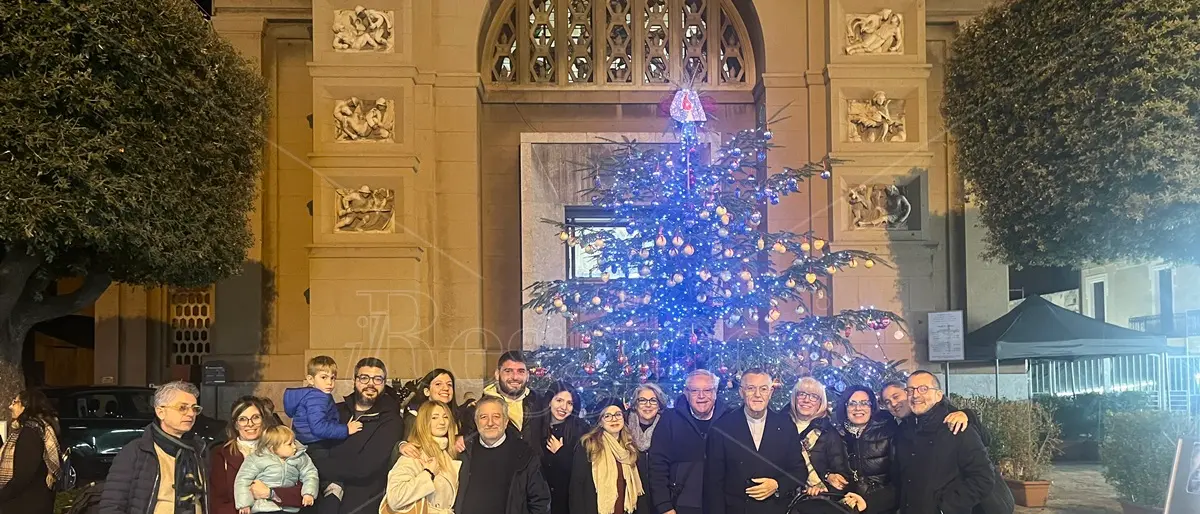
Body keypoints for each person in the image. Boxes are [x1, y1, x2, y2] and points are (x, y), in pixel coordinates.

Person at [703, 369, 811, 514]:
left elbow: (799, 472)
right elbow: (713, 484)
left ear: (771, 392)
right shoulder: (722, 428)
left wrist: (777, 485)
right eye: (751, 388)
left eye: (763, 389)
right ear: (741, 392)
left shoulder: (785, 426)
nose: (757, 395)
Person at [100, 381, 210, 514]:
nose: (191, 414)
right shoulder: (136, 452)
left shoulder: (199, 451)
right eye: (182, 408)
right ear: (160, 412)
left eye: (195, 408)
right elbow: (111, 506)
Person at [893, 371, 994, 514]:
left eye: (923, 389)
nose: (915, 395)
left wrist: (946, 507)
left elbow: (983, 477)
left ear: (938, 395)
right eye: (910, 390)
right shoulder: (904, 431)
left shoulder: (957, 427)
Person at [313, 357, 404, 514]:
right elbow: (313, 447)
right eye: (364, 378)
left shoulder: (391, 421)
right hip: (319, 499)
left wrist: (320, 466)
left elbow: (365, 468)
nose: (371, 384)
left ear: (384, 383)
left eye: (377, 379)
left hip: (361, 504)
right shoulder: (335, 411)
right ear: (354, 380)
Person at [210, 397, 310, 514]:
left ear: (264, 420)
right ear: (236, 424)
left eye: (256, 417)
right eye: (243, 419)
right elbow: (217, 502)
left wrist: (271, 493)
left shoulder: (285, 447)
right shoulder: (221, 454)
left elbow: (305, 489)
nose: (250, 424)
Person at [454, 396, 551, 514]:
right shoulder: (463, 453)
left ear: (506, 422)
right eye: (483, 417)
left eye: (496, 416)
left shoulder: (525, 455)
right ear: (476, 422)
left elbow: (540, 502)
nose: (490, 423)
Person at [648, 369, 726, 514]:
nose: (701, 396)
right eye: (695, 391)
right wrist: (664, 506)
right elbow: (657, 465)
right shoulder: (669, 420)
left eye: (707, 390)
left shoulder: (728, 419)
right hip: (680, 506)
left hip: (722, 507)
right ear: (686, 393)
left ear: (715, 392)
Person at [381, 401, 461, 514]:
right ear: (424, 422)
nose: (442, 422)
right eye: (434, 417)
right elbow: (395, 497)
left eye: (446, 417)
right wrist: (428, 473)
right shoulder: (414, 454)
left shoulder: (448, 455)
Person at [569, 401, 645, 514]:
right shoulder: (589, 446)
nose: (614, 419)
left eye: (618, 414)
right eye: (607, 416)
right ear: (600, 421)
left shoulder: (630, 447)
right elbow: (577, 487)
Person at [833, 386, 897, 514]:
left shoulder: (888, 429)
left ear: (872, 406)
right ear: (845, 407)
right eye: (852, 403)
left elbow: (900, 478)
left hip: (882, 505)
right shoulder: (837, 434)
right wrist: (829, 476)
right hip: (849, 506)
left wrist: (869, 501)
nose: (858, 408)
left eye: (864, 403)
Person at [283, 356, 363, 456]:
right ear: (311, 379)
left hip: (305, 441)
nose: (329, 382)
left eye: (332, 378)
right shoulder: (317, 398)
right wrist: (346, 430)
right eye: (324, 377)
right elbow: (318, 428)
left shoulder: (309, 395)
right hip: (315, 445)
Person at [0, 389, 60, 514]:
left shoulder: (30, 433)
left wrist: (3, 495)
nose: (10, 406)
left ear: (26, 406)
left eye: (15, 402)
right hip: (36, 501)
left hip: (25, 504)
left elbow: (22, 476)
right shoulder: (41, 429)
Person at [233, 426, 318, 513]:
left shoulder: (300, 457)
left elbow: (310, 474)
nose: (294, 446)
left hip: (289, 508)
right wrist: (244, 504)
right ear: (273, 448)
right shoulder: (257, 458)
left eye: (294, 442)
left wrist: (308, 493)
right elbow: (243, 480)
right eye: (289, 444)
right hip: (264, 507)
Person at [788, 378, 851, 496]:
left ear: (820, 402)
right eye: (802, 394)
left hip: (812, 502)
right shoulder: (778, 426)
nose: (806, 400)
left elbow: (841, 479)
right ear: (794, 398)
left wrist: (823, 487)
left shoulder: (829, 433)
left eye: (814, 396)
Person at [468, 351, 545, 442]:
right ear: (497, 374)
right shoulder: (480, 408)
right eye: (508, 371)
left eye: (521, 371)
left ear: (527, 375)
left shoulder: (539, 402)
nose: (515, 377)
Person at [398, 368, 471, 458]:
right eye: (438, 384)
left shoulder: (458, 417)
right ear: (427, 391)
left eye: (449, 385)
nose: (445, 388)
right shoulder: (414, 418)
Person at [540, 382, 589, 514]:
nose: (564, 407)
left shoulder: (581, 429)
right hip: (540, 501)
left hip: (568, 502)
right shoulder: (536, 427)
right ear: (550, 401)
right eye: (559, 400)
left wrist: (561, 453)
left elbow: (582, 471)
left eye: (570, 403)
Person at [628, 384, 666, 514]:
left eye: (653, 400)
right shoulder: (623, 429)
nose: (647, 405)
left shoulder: (668, 427)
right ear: (635, 404)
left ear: (660, 404)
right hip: (632, 500)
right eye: (642, 400)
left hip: (662, 500)